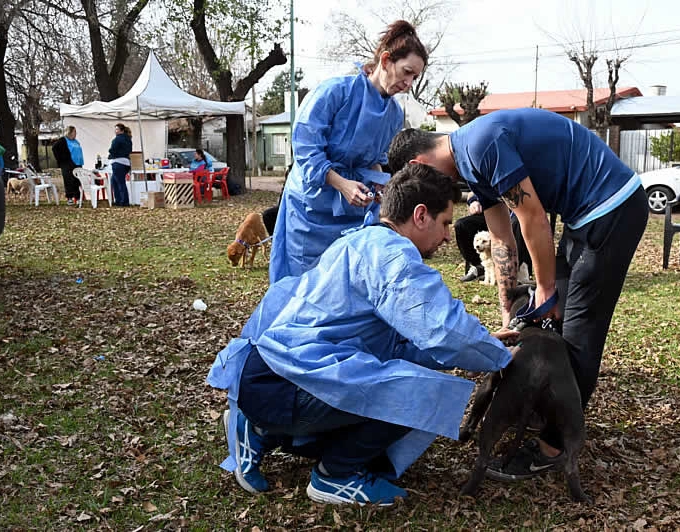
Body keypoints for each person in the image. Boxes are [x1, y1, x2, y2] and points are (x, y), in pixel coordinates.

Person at [207, 164, 517, 506]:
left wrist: (481, 347)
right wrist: (498, 357)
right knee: (423, 391)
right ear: (420, 215)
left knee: (394, 375)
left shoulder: (362, 238)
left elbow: (401, 345)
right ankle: (335, 476)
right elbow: (442, 329)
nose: (447, 236)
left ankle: (259, 430)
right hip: (287, 385)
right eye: (445, 223)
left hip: (268, 377)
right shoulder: (391, 255)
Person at [388, 107, 649, 479]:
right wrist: (508, 303)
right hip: (584, 217)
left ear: (419, 163)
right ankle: (543, 411)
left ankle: (553, 446)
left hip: (613, 209)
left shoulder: (482, 146)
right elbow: (501, 236)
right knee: (555, 319)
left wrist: (543, 286)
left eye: (417, 179)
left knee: (579, 335)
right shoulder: (470, 162)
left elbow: (533, 218)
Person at [268, 20, 428, 283]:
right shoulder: (335, 92)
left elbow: (376, 160)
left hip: (353, 209)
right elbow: (306, 147)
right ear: (386, 60)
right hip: (312, 204)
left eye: (415, 77)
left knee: (343, 281)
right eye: (406, 72)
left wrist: (378, 187)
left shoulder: (394, 113)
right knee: (304, 281)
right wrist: (341, 184)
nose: (409, 83)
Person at [455, 191, 533, 282]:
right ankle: (479, 266)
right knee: (462, 225)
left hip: (516, 211)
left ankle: (517, 270)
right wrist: (473, 201)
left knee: (517, 223)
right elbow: (471, 193)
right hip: (492, 212)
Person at [52, 126, 85, 206]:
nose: (75, 134)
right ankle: (69, 197)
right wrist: (61, 159)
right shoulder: (63, 140)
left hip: (77, 163)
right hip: (68, 163)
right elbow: (54, 148)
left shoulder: (76, 141)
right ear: (69, 132)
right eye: (74, 132)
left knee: (76, 180)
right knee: (69, 180)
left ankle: (77, 197)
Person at [108, 123, 132, 207]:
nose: (115, 131)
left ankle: (124, 201)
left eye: (117, 129)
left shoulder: (117, 139)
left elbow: (112, 150)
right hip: (126, 163)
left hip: (118, 162)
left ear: (121, 130)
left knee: (120, 182)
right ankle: (118, 200)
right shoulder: (128, 139)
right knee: (114, 181)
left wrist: (111, 154)